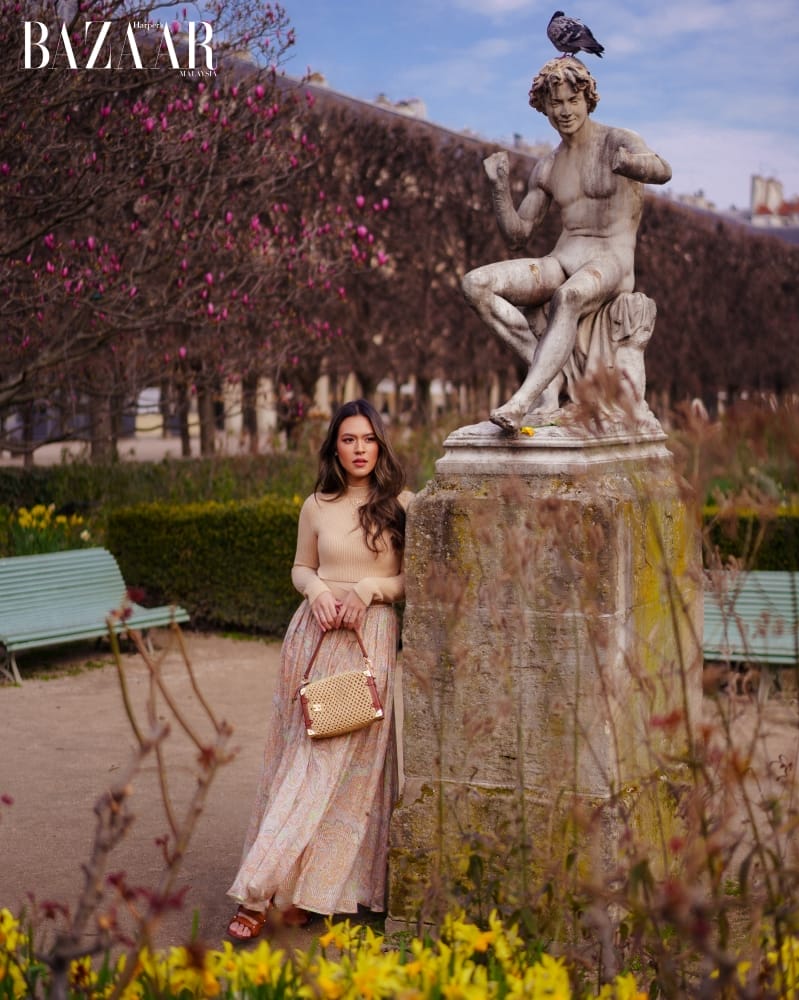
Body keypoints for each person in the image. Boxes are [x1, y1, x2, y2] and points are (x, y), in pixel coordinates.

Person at [226, 398, 413, 940]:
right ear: (335, 447)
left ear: (381, 445)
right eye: (349, 439)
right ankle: (264, 892)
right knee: (303, 766)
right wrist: (315, 592)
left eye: (368, 439)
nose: (359, 449)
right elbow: (301, 567)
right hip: (313, 639)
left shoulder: (403, 505)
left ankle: (306, 890)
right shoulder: (316, 505)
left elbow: (411, 580)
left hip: (368, 642)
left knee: (351, 776)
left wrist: (369, 589)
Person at [461, 57, 672, 433]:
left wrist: (630, 164)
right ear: (543, 107)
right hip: (562, 258)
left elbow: (663, 170)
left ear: (588, 100)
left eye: (573, 101)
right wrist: (498, 189)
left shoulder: (617, 141)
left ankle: (522, 401)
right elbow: (518, 235)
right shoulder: (548, 166)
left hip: (611, 259)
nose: (564, 111)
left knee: (568, 296)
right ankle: (548, 373)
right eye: (555, 103)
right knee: (475, 285)